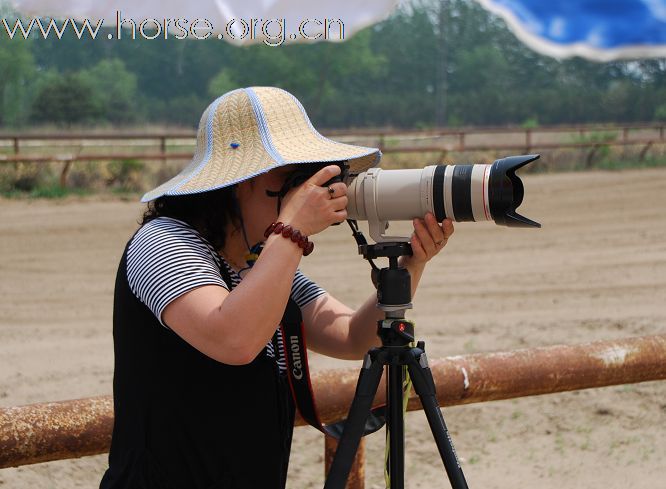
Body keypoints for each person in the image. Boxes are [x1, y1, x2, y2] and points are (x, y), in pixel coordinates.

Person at [99, 86, 454, 489]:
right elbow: (234, 339)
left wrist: (412, 264)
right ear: (239, 181)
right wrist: (292, 231)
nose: (307, 191)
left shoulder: (259, 262)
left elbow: (353, 337)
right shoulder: (163, 242)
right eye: (292, 175)